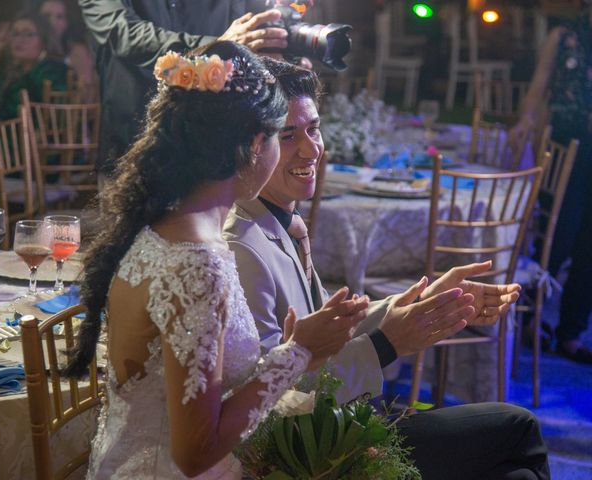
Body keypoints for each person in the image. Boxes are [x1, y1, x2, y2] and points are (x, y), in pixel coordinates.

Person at [224, 59, 550, 480]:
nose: (311, 149)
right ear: (253, 144)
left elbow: (327, 330)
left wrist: (425, 301)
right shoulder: (241, 247)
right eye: (288, 135)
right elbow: (267, 401)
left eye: (314, 129)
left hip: (342, 422)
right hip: (315, 452)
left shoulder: (282, 222)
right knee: (518, 427)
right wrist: (385, 345)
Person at [64, 41, 369, 479]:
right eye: (280, 137)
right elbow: (195, 452)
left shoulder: (162, 224)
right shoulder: (196, 264)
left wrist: (289, 352)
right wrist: (298, 353)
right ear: (254, 145)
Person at [78, 0, 291, 175]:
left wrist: (281, 52)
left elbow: (253, 27)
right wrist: (215, 47)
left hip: (211, 147)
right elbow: (122, 32)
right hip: (134, 144)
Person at [509, 6, 592, 363]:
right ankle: (533, 320)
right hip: (567, 146)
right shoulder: (562, 37)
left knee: (590, 245)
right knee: (558, 235)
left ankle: (571, 333)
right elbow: (538, 87)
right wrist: (525, 120)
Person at [0, 10, 67, 178]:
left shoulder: (49, 70)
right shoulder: (17, 74)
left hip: (35, 157)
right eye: (15, 34)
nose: (19, 40)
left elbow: (58, 115)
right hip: (10, 149)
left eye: (28, 34)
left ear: (44, 40)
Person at [38, 0, 97, 101]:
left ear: (67, 22)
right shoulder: (32, 47)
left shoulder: (76, 51)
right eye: (47, 16)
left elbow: (87, 94)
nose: (52, 22)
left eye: (60, 17)